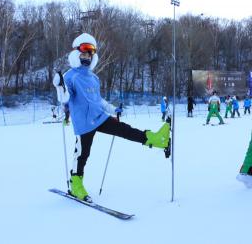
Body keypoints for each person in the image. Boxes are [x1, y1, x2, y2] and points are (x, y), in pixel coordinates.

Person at [53, 33, 170, 202]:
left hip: (100, 117)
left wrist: (113, 109)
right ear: (76, 54)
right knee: (82, 154)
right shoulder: (70, 76)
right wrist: (59, 86)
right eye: (83, 53)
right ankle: (76, 185)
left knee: (125, 130)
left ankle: (156, 139)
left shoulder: (93, 78)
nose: (86, 57)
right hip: (84, 123)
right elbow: (64, 99)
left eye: (89, 54)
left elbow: (98, 100)